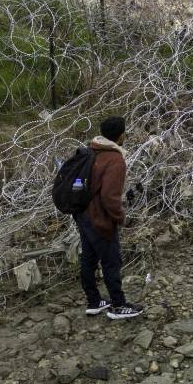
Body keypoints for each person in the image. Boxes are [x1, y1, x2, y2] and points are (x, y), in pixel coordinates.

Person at [77, 116, 143, 320]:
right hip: (100, 218)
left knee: (88, 259)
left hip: (83, 214)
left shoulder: (91, 150)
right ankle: (118, 305)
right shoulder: (115, 159)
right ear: (121, 135)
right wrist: (120, 217)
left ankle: (94, 301)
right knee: (111, 261)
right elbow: (109, 197)